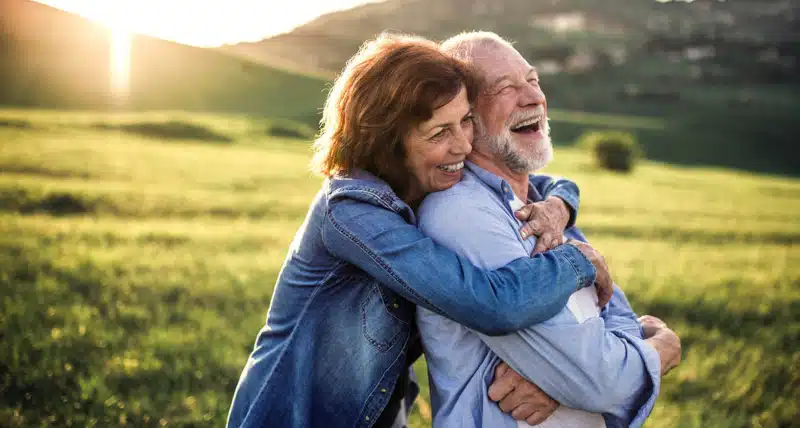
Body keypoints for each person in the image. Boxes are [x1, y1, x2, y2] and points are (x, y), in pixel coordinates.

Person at [226, 33, 615, 428]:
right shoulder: (352, 213)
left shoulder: (422, 186)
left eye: (464, 121)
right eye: (439, 134)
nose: (463, 145)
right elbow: (489, 304)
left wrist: (559, 206)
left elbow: (545, 183)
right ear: (389, 143)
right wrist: (577, 260)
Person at [416, 32, 682, 428]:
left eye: (534, 80)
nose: (533, 98)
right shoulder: (462, 214)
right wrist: (664, 348)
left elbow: (612, 314)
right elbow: (601, 381)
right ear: (464, 118)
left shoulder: (544, 207)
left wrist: (564, 378)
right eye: (505, 88)